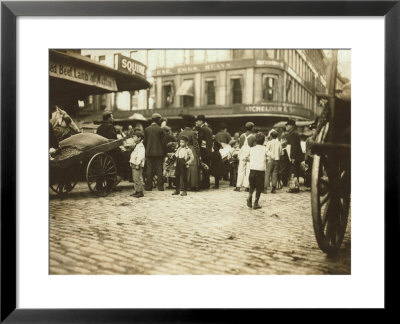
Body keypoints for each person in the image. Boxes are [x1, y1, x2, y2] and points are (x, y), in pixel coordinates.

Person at [245, 132, 268, 210]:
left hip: (252, 170)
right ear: (264, 141)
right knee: (259, 187)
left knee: (252, 186)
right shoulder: (265, 149)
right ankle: (256, 203)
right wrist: (267, 159)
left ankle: (249, 197)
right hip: (261, 170)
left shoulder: (252, 149)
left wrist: (249, 160)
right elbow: (272, 155)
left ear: (255, 140)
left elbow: (244, 158)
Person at [144, 113, 166, 191]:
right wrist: (164, 153)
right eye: (160, 120)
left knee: (149, 170)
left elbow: (145, 142)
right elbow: (163, 143)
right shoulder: (160, 130)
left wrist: (147, 151)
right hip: (159, 153)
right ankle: (160, 187)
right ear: (157, 120)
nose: (160, 121)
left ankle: (148, 187)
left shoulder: (146, 129)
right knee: (159, 170)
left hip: (149, 153)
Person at [179, 117, 200, 191]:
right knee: (192, 167)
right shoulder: (192, 133)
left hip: (183, 150)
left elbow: (180, 143)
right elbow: (196, 144)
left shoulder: (181, 133)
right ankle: (193, 185)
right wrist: (198, 154)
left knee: (183, 167)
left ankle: (183, 185)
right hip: (191, 149)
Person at [234, 122, 256, 192]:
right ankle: (247, 187)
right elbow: (254, 147)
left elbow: (240, 146)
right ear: (252, 128)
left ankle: (238, 186)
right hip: (250, 153)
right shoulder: (253, 137)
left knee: (241, 170)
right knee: (249, 170)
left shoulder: (241, 136)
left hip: (242, 153)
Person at [195, 115, 213, 190]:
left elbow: (201, 141)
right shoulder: (209, 129)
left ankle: (205, 184)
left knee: (203, 167)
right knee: (207, 167)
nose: (196, 122)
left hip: (204, 151)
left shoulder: (202, 129)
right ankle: (207, 183)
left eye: (197, 121)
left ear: (201, 121)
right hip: (208, 150)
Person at [285, 119, 304, 184]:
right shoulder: (293, 133)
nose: (286, 126)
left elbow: (294, 146)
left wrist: (292, 157)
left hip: (295, 156)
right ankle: (295, 185)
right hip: (296, 156)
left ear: (292, 126)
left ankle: (294, 186)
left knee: (294, 172)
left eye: (287, 125)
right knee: (295, 172)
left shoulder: (293, 134)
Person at [129, 131, 145, 198]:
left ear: (139, 138)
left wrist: (138, 164)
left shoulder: (141, 147)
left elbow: (140, 156)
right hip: (134, 164)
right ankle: (137, 191)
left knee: (138, 178)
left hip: (137, 165)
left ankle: (140, 192)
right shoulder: (137, 145)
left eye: (134, 137)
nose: (133, 138)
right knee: (135, 178)